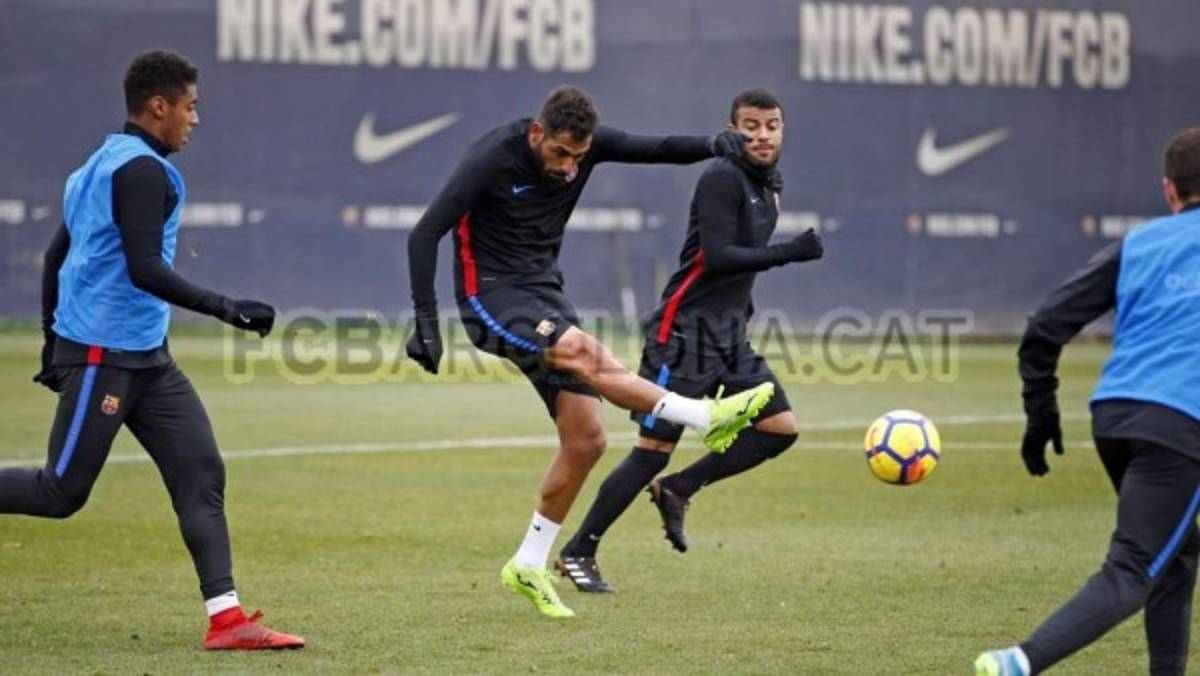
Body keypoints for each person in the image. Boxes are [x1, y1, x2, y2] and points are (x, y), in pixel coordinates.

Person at [405, 85, 776, 618]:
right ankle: (701, 415)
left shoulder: (586, 149)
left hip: (544, 291)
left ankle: (528, 565)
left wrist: (714, 144)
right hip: (491, 294)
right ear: (537, 133)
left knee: (587, 440)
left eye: (579, 156)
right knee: (578, 347)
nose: (568, 167)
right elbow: (424, 234)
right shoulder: (492, 156)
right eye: (560, 153)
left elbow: (656, 148)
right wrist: (425, 322)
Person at [0, 51, 304, 651]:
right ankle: (227, 619)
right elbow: (143, 269)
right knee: (61, 493)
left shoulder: (95, 165)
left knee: (201, 471)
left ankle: (227, 621)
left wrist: (46, 341)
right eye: (190, 106)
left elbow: (56, 258)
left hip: (144, 357)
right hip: (103, 353)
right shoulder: (139, 171)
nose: (196, 118)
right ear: (159, 106)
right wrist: (225, 307)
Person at [555, 88, 823, 593]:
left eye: (771, 125)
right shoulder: (722, 177)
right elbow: (719, 257)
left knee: (779, 429)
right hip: (682, 336)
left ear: (783, 130)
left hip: (728, 338)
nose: (761, 135)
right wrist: (791, 252)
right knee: (652, 450)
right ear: (732, 127)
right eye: (750, 125)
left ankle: (680, 488)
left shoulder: (770, 183)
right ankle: (578, 551)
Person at [975, 127, 1200, 675]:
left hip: (1116, 415)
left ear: (1169, 190)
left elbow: (1045, 325)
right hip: (1179, 425)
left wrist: (1041, 413)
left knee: (1176, 555)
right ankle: (1018, 663)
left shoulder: (1140, 243)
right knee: (1132, 570)